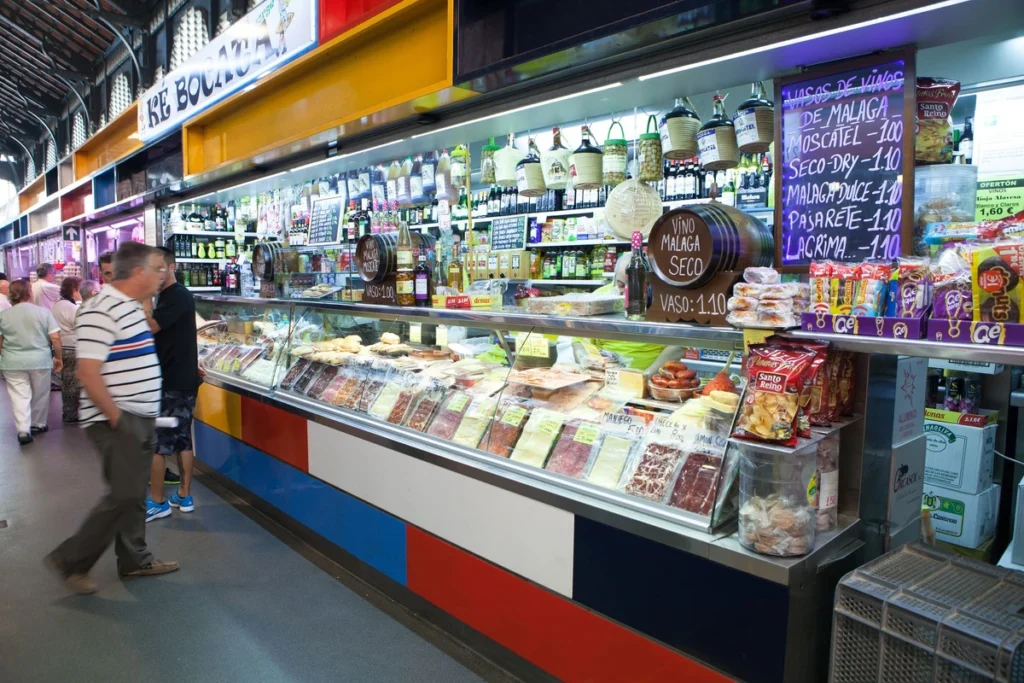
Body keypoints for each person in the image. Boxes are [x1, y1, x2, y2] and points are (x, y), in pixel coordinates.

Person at [44, 242, 178, 595]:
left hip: (139, 417)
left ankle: (135, 559)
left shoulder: (130, 306)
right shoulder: (100, 309)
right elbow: (88, 372)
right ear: (138, 272)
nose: (163, 274)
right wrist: (119, 419)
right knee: (124, 494)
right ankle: (71, 560)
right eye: (157, 268)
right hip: (118, 420)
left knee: (132, 494)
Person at [144, 247, 199, 521]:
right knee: (182, 439)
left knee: (158, 442)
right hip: (180, 380)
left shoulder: (176, 295)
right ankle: (183, 495)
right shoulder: (170, 296)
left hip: (172, 384)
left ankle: (157, 501)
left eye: (159, 268)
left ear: (172, 267)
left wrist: (144, 297)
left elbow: (151, 327)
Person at [0, 279, 62, 444]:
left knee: (19, 396)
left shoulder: (3, 316)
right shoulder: (43, 313)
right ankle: (38, 424)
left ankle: (23, 430)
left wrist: (4, 354)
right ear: (29, 293)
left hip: (12, 362)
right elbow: (55, 338)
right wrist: (59, 357)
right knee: (40, 393)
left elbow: (0, 341)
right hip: (40, 360)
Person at [52, 276, 82, 423]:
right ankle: (70, 413)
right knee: (72, 383)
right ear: (74, 289)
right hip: (71, 347)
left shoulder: (57, 304)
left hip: (61, 346)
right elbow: (81, 325)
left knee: (67, 381)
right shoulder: (70, 307)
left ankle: (69, 412)